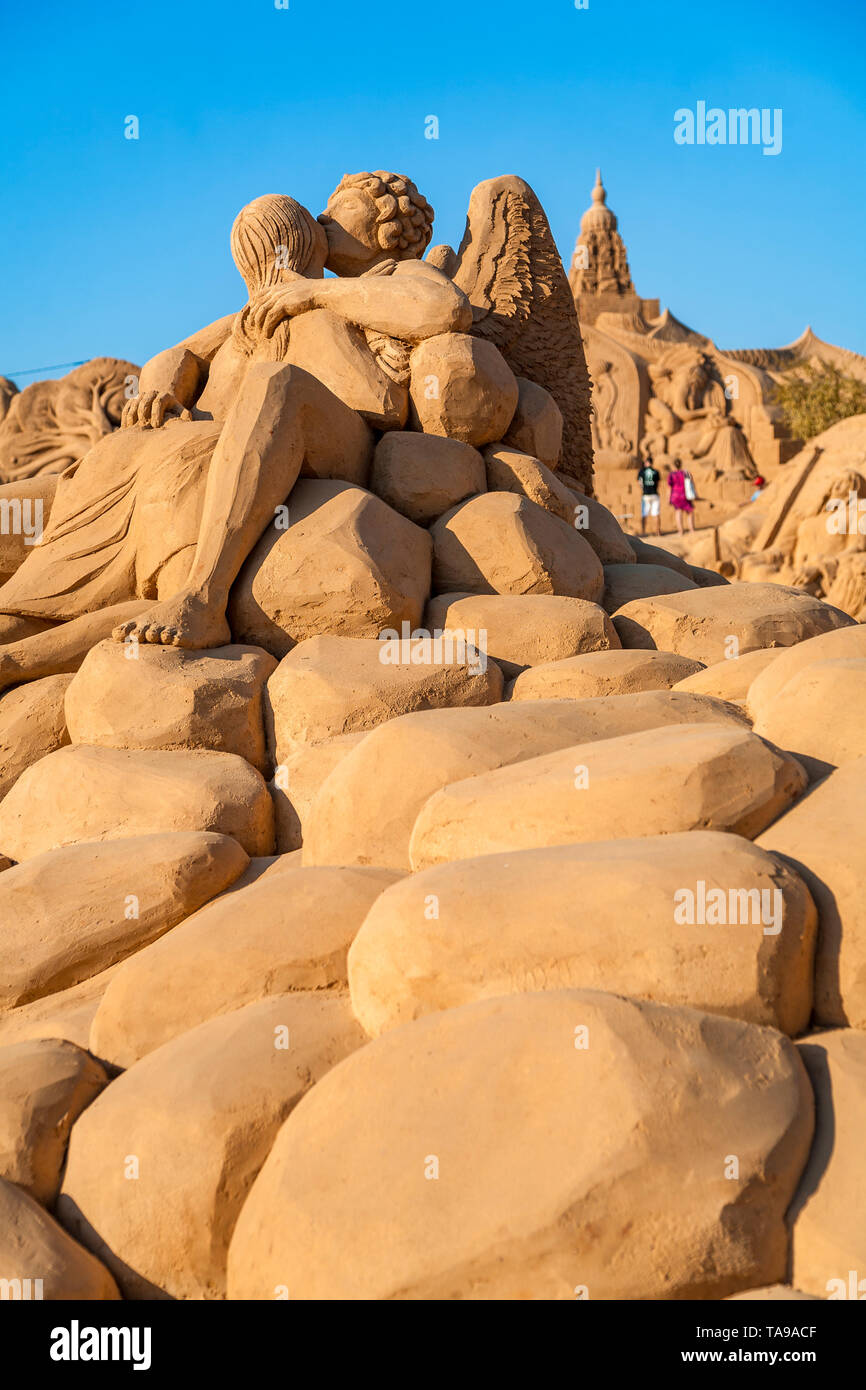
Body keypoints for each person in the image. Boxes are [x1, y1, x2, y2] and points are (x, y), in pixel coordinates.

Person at [0, 182, 471, 687]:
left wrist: (313, 293)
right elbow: (176, 354)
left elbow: (442, 311)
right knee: (52, 501)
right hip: (205, 443)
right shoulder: (274, 304)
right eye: (320, 211)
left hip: (344, 431)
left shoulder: (398, 274)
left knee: (276, 384)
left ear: (388, 230)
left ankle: (204, 596)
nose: (324, 214)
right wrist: (160, 391)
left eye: (343, 208)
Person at [667, 458, 696, 534]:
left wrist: (668, 498)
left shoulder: (671, 475)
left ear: (673, 465)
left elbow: (669, 488)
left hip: (675, 496)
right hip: (685, 495)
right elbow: (692, 483)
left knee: (678, 512)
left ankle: (681, 531)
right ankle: (691, 530)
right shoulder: (686, 473)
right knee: (689, 512)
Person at [636, 456, 661, 536]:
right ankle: (658, 532)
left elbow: (639, 483)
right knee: (656, 513)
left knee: (644, 514)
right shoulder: (656, 471)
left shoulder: (642, 471)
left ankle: (643, 532)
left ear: (647, 462)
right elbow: (658, 483)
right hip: (654, 494)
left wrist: (643, 489)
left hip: (646, 494)